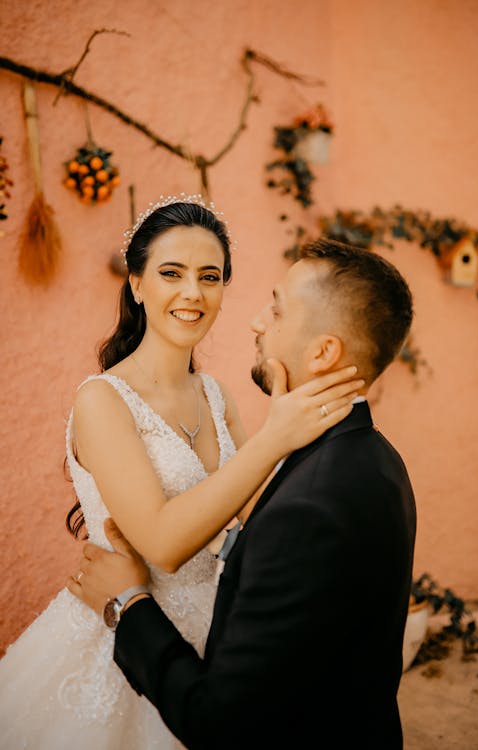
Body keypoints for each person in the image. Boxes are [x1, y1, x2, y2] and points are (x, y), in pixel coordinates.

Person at [0, 199, 361, 750]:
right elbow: (162, 543)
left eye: (209, 277)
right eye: (172, 274)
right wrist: (274, 437)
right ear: (138, 284)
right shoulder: (102, 401)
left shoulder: (215, 395)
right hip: (126, 638)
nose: (193, 292)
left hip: (211, 638)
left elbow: (262, 517)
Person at [70, 237, 417, 750]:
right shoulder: (378, 459)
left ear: (323, 352)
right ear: (136, 285)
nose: (255, 321)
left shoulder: (307, 501)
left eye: (275, 310)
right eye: (171, 273)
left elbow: (219, 723)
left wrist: (128, 601)